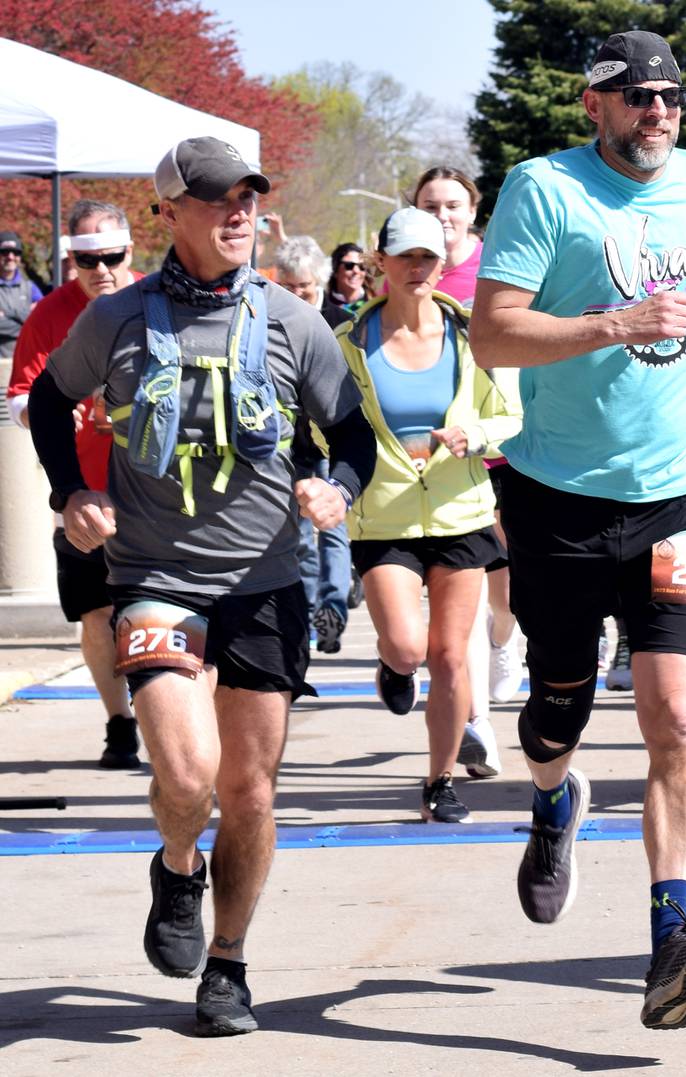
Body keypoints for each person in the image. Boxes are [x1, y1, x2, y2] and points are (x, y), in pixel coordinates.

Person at [27, 136, 375, 1037]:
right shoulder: (119, 318)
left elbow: (350, 433)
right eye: (217, 200)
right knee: (188, 774)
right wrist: (73, 492)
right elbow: (47, 402)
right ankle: (178, 860)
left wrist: (336, 486)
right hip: (153, 574)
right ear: (170, 213)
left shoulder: (294, 322)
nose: (237, 214)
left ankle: (228, 965)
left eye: (248, 200)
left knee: (252, 792)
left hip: (265, 582)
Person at [470, 30, 686, 1030]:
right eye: (635, 96)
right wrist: (608, 325)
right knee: (558, 703)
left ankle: (669, 940)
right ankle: (551, 799)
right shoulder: (544, 189)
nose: (658, 111)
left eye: (670, 95)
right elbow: (493, 328)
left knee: (677, 719)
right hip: (559, 493)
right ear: (593, 104)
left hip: (682, 488)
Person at [336, 206, 520, 823]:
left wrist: (477, 435)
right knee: (410, 648)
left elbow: (513, 420)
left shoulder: (475, 336)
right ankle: (392, 665)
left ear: (443, 264)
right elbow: (323, 423)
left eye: (429, 257)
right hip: (384, 517)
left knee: (449, 654)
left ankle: (440, 780)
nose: (418, 268)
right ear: (380, 261)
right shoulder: (348, 343)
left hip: (460, 512)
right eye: (405, 256)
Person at [7, 200, 142, 768]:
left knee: (154, 612)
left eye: (112, 256)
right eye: (89, 259)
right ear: (72, 260)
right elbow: (19, 397)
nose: (102, 269)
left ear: (130, 252)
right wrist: (57, 414)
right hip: (82, 492)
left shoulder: (156, 301)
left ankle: (169, 713)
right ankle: (119, 722)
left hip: (154, 494)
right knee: (97, 618)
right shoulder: (51, 313)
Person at [413, 167, 524, 778]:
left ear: (472, 208)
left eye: (453, 204)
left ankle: (509, 639)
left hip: (506, 449)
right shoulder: (414, 270)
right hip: (447, 464)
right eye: (431, 204)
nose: (443, 214)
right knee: (469, 592)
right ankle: (477, 723)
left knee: (505, 597)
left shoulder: (494, 266)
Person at [275, 235, 353, 652]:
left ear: (319, 280)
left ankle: (333, 606)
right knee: (302, 532)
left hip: (331, 440)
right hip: (291, 445)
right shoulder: (271, 321)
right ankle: (307, 613)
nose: (297, 294)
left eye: (303, 286)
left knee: (333, 525)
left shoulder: (341, 321)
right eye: (288, 286)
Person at [0, 230, 43, 357]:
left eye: (16, 252)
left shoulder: (31, 287)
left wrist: (6, 314)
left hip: (26, 364)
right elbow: (33, 325)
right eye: (4, 252)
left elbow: (42, 321)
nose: (10, 257)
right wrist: (26, 317)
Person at [326, 243, 372, 311]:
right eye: (349, 265)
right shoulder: (323, 306)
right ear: (335, 270)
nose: (356, 271)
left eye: (362, 266)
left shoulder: (374, 305)